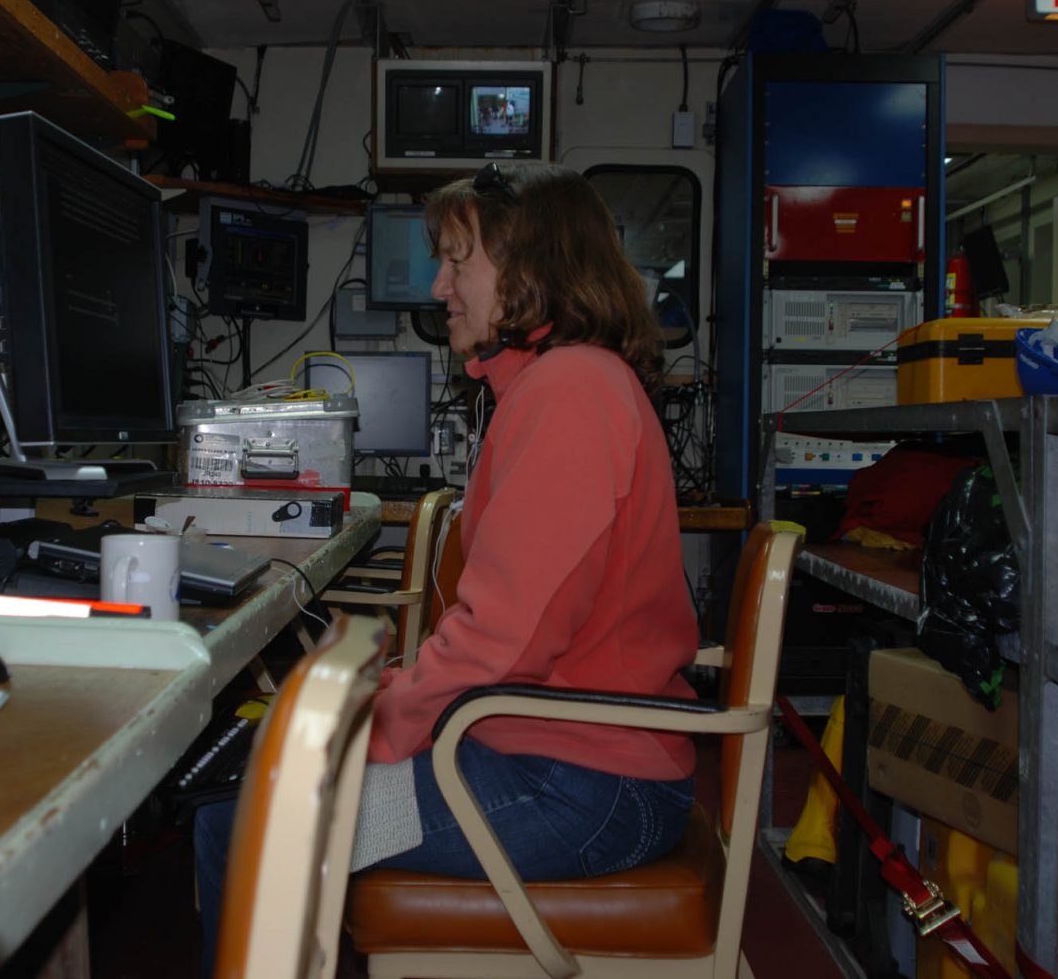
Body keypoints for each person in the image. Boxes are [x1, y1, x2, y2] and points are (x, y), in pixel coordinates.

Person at [193, 161, 699, 975]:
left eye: (459, 261)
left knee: (242, 827)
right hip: (557, 756)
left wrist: (375, 727)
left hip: (580, 787)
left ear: (530, 269)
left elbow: (506, 637)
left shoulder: (569, 391)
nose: (439, 287)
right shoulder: (558, 385)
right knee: (260, 792)